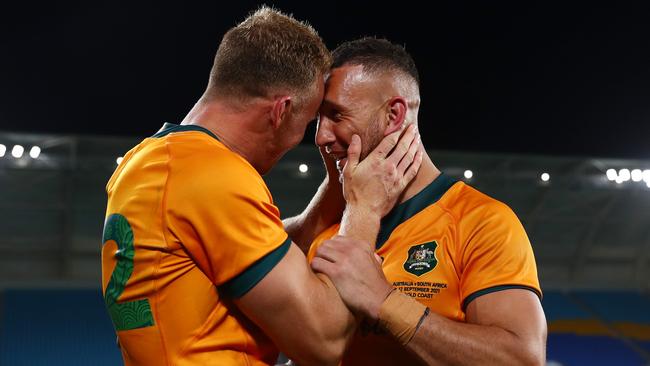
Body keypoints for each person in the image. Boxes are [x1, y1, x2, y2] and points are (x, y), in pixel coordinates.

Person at [100, 9, 422, 366]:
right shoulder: (215, 175)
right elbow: (324, 342)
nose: (314, 137)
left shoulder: (145, 161)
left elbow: (258, 248)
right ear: (281, 111)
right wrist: (363, 210)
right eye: (308, 119)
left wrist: (337, 184)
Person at [307, 37, 548, 365]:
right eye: (318, 118)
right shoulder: (333, 228)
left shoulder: (481, 221)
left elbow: (521, 358)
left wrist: (385, 302)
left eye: (336, 114)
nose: (321, 135)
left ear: (394, 115)